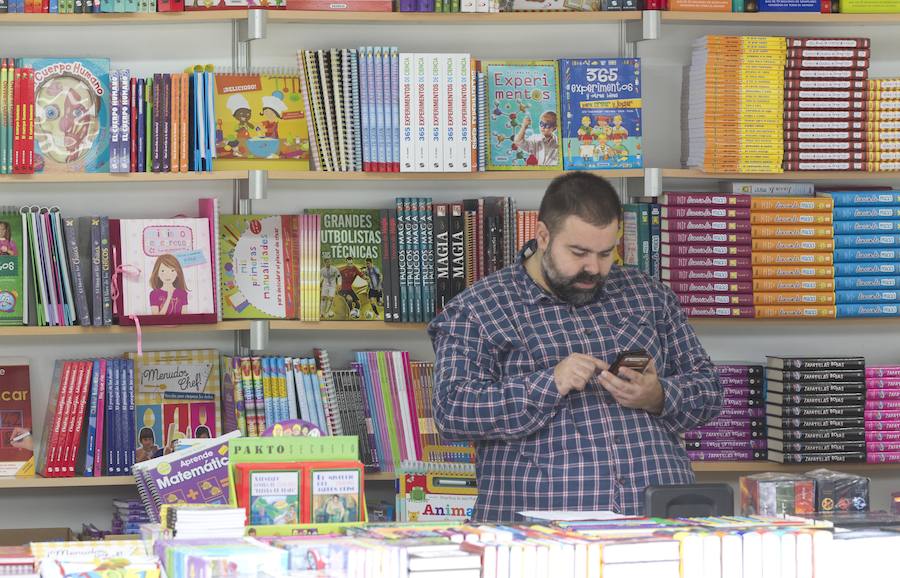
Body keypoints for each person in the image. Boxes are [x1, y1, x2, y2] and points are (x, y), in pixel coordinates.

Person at [428, 171, 722, 523]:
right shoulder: (479, 308)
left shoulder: (648, 295)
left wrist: (657, 396)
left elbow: (710, 390)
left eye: (606, 253)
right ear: (542, 236)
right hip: (541, 532)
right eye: (579, 252)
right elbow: (452, 411)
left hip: (661, 518)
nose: (593, 268)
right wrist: (549, 383)